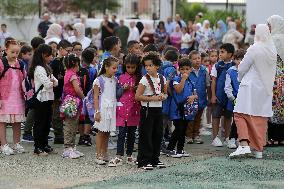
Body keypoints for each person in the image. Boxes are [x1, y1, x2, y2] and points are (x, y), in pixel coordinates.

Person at [229, 24, 277, 159]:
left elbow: (243, 66)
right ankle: (258, 150)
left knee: (240, 114)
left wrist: (239, 77)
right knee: (260, 118)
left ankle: (244, 145)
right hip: (265, 89)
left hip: (250, 86)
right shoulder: (272, 50)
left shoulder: (254, 48)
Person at [135, 52, 167, 170]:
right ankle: (144, 160)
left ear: (157, 66)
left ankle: (155, 159)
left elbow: (165, 93)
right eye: (146, 66)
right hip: (147, 109)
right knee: (146, 135)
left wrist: (164, 96)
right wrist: (152, 98)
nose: (148, 68)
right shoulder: (144, 79)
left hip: (158, 109)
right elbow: (137, 96)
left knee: (157, 135)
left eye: (150, 65)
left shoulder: (162, 78)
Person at [108, 54, 141, 167]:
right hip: (122, 109)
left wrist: (138, 90)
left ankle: (130, 155)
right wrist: (123, 88)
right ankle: (119, 155)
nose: (130, 69)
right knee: (121, 133)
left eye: (133, 67)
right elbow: (116, 95)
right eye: (128, 67)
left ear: (137, 67)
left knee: (132, 134)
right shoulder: (120, 78)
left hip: (134, 110)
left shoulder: (139, 79)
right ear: (125, 66)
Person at [28, 44, 58, 156]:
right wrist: (51, 82)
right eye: (49, 55)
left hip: (48, 98)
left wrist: (51, 82)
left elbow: (55, 82)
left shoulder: (46, 66)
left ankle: (44, 144)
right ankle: (38, 147)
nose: (51, 57)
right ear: (43, 55)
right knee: (39, 123)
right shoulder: (39, 68)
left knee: (46, 123)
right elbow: (48, 83)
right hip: (41, 99)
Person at [166, 57, 196, 158]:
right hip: (176, 109)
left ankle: (180, 149)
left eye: (187, 69)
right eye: (182, 69)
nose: (185, 71)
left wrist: (193, 96)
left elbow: (196, 94)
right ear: (179, 69)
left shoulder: (191, 81)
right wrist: (183, 79)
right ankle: (170, 148)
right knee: (179, 128)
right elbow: (178, 90)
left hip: (186, 110)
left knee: (184, 129)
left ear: (191, 69)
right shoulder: (176, 79)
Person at [0, 39, 25, 155]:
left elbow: (24, 80)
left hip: (18, 98)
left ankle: (16, 143)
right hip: (4, 98)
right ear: (6, 50)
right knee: (2, 122)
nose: (15, 55)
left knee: (17, 121)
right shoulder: (1, 63)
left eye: (17, 53)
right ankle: (4, 144)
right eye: (12, 52)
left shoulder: (20, 64)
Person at [93, 56, 119, 165]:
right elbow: (95, 97)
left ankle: (104, 152)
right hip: (103, 108)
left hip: (111, 108)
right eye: (114, 68)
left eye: (117, 68)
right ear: (106, 67)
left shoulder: (115, 79)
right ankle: (98, 154)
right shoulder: (99, 80)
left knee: (107, 131)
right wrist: (97, 111)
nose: (116, 70)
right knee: (101, 131)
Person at [211, 43, 235, 147]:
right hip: (218, 96)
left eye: (222, 52)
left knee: (228, 117)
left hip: (230, 96)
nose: (220, 54)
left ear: (230, 54)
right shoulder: (217, 66)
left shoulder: (235, 65)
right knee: (216, 116)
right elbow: (213, 81)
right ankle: (215, 137)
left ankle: (227, 137)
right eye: (219, 52)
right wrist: (213, 95)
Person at [61, 54, 85, 159]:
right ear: (75, 63)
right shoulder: (73, 75)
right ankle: (67, 148)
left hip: (71, 101)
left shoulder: (68, 73)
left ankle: (72, 147)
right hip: (72, 101)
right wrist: (84, 97)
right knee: (70, 125)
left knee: (73, 124)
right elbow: (77, 89)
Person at [50, 40, 73, 144]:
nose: (69, 53)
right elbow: (53, 79)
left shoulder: (66, 61)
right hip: (56, 93)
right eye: (67, 51)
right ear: (60, 49)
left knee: (65, 114)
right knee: (56, 115)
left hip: (65, 92)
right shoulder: (54, 62)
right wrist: (57, 94)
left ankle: (64, 134)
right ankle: (58, 135)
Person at [266, 15, 284, 146]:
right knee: (282, 106)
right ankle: (282, 138)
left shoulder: (271, 39)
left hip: (273, 77)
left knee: (272, 106)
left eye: (269, 25)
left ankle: (273, 137)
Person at [187, 51, 210, 144]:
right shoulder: (188, 70)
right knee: (190, 117)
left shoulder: (204, 70)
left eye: (199, 58)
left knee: (198, 117)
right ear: (190, 60)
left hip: (201, 98)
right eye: (194, 59)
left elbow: (208, 84)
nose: (197, 60)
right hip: (190, 98)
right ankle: (189, 135)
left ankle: (196, 135)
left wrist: (209, 96)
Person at [224, 49, 245, 149]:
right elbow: (227, 87)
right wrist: (232, 98)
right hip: (235, 100)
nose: (239, 61)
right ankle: (231, 139)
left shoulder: (248, 70)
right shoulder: (231, 71)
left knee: (243, 120)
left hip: (246, 99)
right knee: (236, 119)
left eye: (242, 59)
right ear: (234, 60)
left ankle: (237, 139)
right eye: (237, 59)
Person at [78, 48, 97, 147]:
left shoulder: (78, 69)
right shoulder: (93, 70)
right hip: (89, 96)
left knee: (81, 116)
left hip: (79, 95)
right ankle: (86, 136)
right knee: (88, 117)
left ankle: (81, 137)